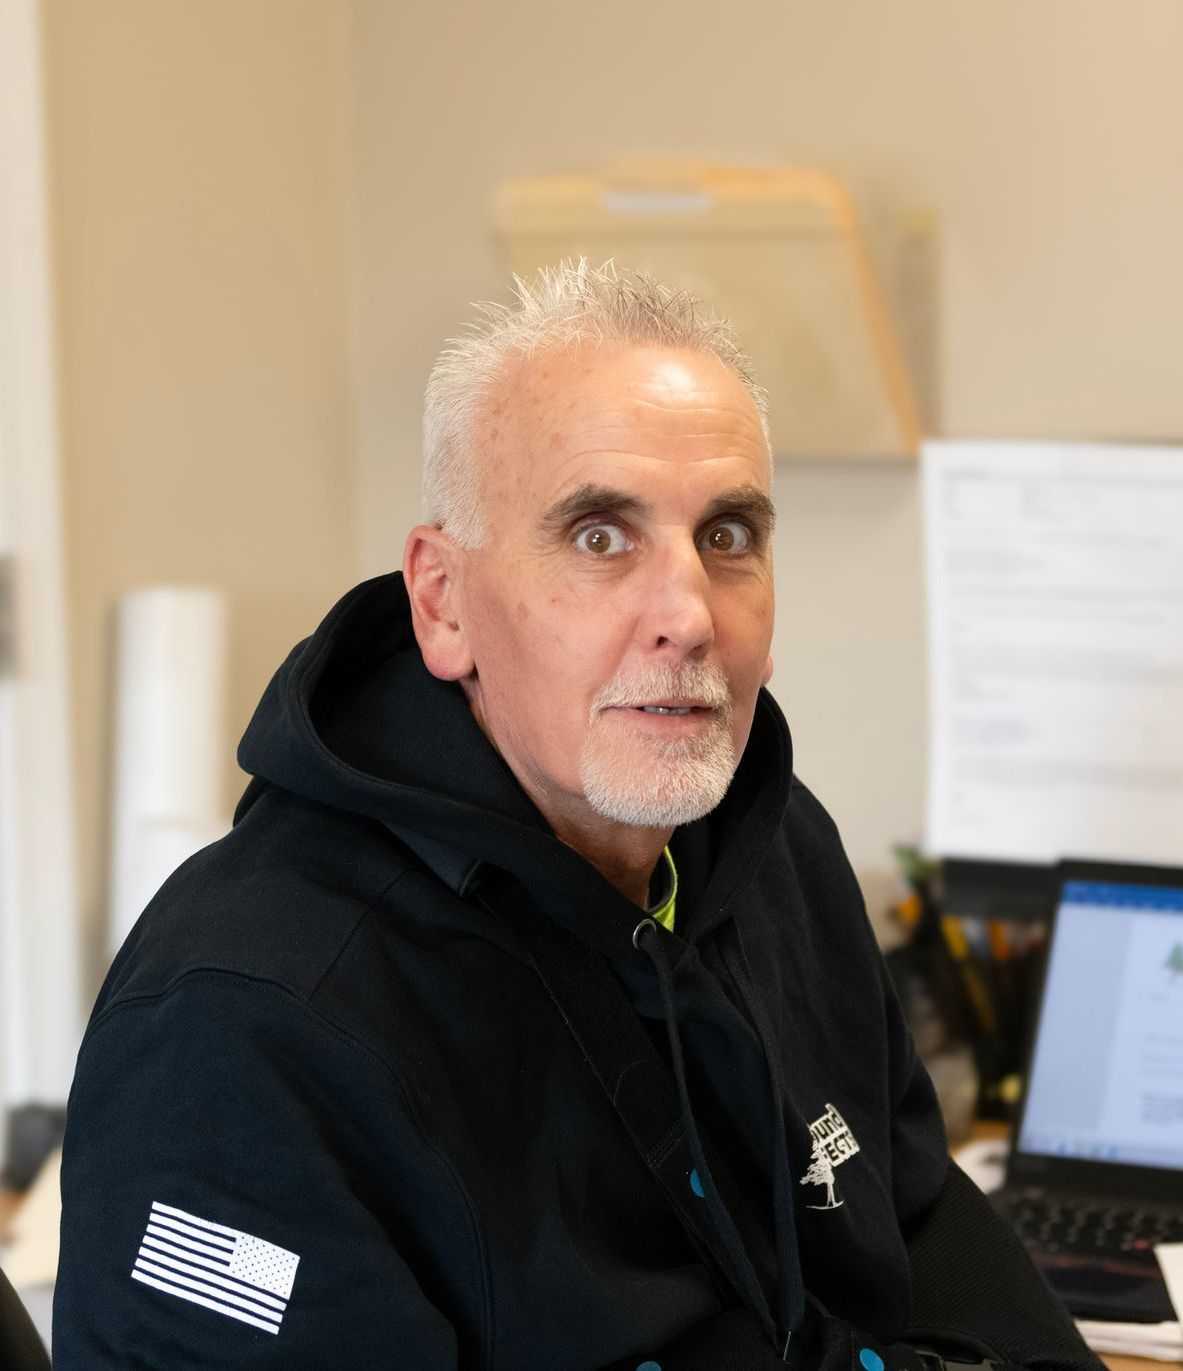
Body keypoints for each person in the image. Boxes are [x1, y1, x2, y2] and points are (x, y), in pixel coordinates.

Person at [54, 262, 1102, 1370]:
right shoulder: (248, 1020)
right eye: (599, 536)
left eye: (727, 537)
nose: (688, 615)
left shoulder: (777, 848)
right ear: (441, 601)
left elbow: (927, 1238)